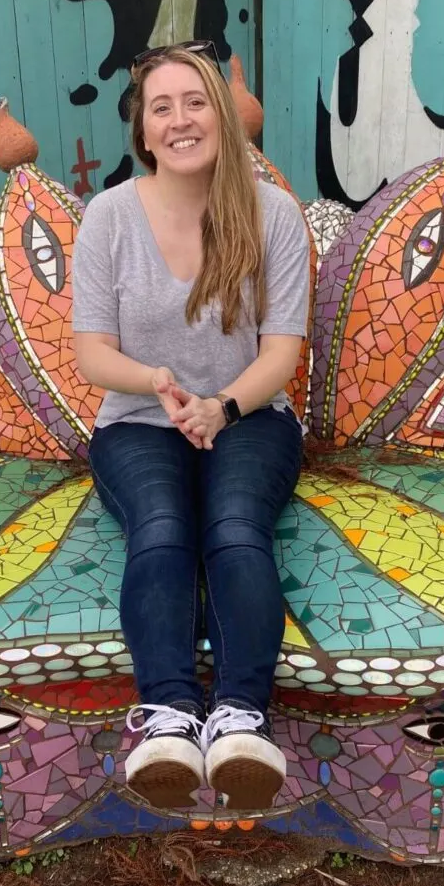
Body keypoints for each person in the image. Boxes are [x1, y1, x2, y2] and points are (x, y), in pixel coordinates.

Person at [73, 41, 309, 811]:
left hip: (248, 416)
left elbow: (281, 354)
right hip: (139, 419)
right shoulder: (108, 216)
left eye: (195, 102)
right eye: (161, 108)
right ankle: (171, 717)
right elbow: (90, 355)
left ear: (221, 115)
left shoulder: (271, 213)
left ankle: (241, 720)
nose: (180, 121)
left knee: (236, 526)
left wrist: (221, 406)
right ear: (141, 131)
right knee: (164, 524)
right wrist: (158, 382)